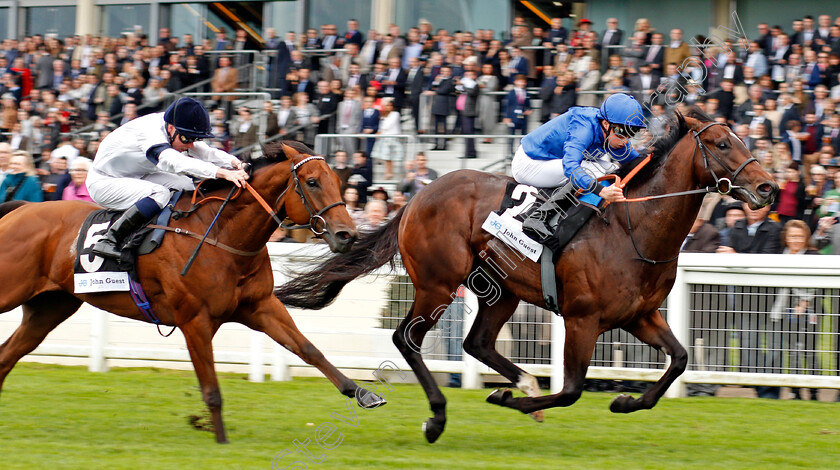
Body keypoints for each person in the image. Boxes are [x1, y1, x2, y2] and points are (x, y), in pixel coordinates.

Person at [86, 97, 249, 259]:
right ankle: (109, 239)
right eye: (187, 139)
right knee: (160, 194)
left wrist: (235, 163)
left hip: (137, 175)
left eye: (194, 139)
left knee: (186, 185)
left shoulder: (175, 126)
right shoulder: (149, 133)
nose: (190, 145)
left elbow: (205, 152)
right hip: (104, 182)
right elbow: (175, 162)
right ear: (171, 128)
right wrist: (223, 173)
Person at [511, 93, 645, 243]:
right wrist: (601, 190)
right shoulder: (584, 126)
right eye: (621, 132)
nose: (625, 140)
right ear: (606, 124)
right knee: (590, 169)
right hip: (529, 163)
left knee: (612, 168)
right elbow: (570, 167)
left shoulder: (612, 132)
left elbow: (637, 162)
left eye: (631, 133)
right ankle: (537, 218)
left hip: (553, 161)